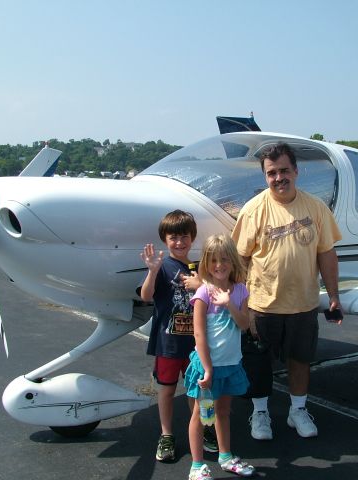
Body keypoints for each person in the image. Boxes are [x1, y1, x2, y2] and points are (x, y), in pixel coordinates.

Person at [231, 141, 342, 440]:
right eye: (271, 173)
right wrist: (239, 304)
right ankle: (260, 413)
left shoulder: (315, 207)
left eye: (283, 171)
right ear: (265, 176)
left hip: (303, 304)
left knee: (300, 361)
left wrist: (333, 296)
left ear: (296, 171)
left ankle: (298, 411)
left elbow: (327, 254)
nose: (278, 178)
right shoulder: (253, 210)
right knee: (258, 365)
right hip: (262, 306)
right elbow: (239, 260)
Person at [139, 210, 218, 462]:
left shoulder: (200, 270)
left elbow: (213, 299)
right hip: (168, 343)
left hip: (195, 345)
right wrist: (152, 271)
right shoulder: (162, 268)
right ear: (165, 239)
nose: (180, 242)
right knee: (166, 391)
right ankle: (166, 435)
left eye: (184, 237)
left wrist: (202, 285)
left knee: (196, 391)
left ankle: (202, 431)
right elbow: (146, 296)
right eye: (174, 237)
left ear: (192, 238)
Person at [183, 234, 256, 480]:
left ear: (233, 261)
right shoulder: (203, 292)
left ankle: (225, 457)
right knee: (201, 415)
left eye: (224, 259)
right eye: (213, 260)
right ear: (206, 263)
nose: (219, 265)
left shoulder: (241, 291)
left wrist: (229, 305)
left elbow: (245, 324)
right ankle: (196, 466)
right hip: (207, 368)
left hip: (230, 365)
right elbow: (199, 333)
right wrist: (207, 368)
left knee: (223, 411)